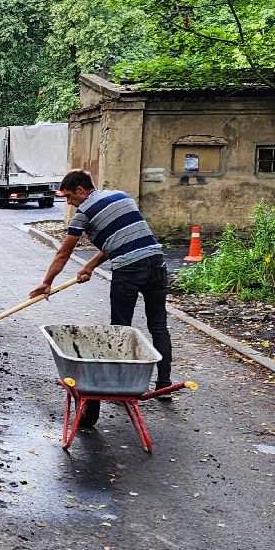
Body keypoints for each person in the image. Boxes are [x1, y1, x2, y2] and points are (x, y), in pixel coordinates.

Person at [31, 169, 172, 410]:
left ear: (81, 190)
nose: (69, 203)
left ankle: (121, 387)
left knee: (120, 329)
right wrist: (89, 266)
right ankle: (164, 385)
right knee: (158, 326)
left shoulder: (84, 211)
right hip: (157, 263)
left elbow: (63, 253)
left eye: (69, 197)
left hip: (128, 270)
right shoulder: (121, 197)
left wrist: (47, 283)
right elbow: (117, 239)